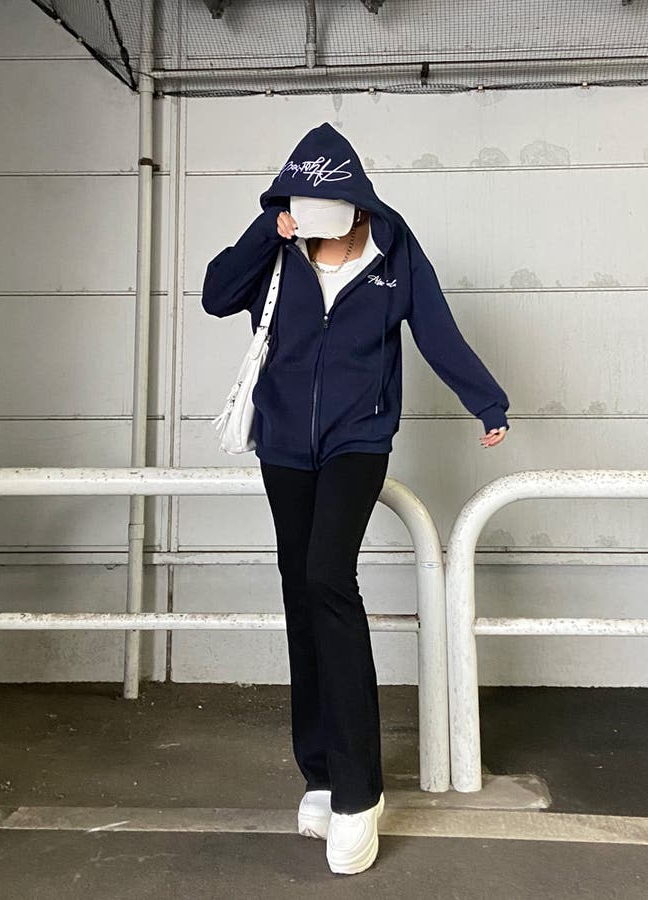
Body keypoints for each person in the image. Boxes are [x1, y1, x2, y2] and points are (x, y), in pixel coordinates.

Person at [201, 122, 509, 875]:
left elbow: (436, 328)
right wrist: (267, 230)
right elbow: (215, 295)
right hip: (283, 444)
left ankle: (359, 792)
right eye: (301, 206)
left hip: (358, 440)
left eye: (328, 206)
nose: (318, 219)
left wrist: (486, 402)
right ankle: (319, 770)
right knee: (300, 593)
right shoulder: (278, 250)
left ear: (357, 200)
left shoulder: (393, 251)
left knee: (327, 578)